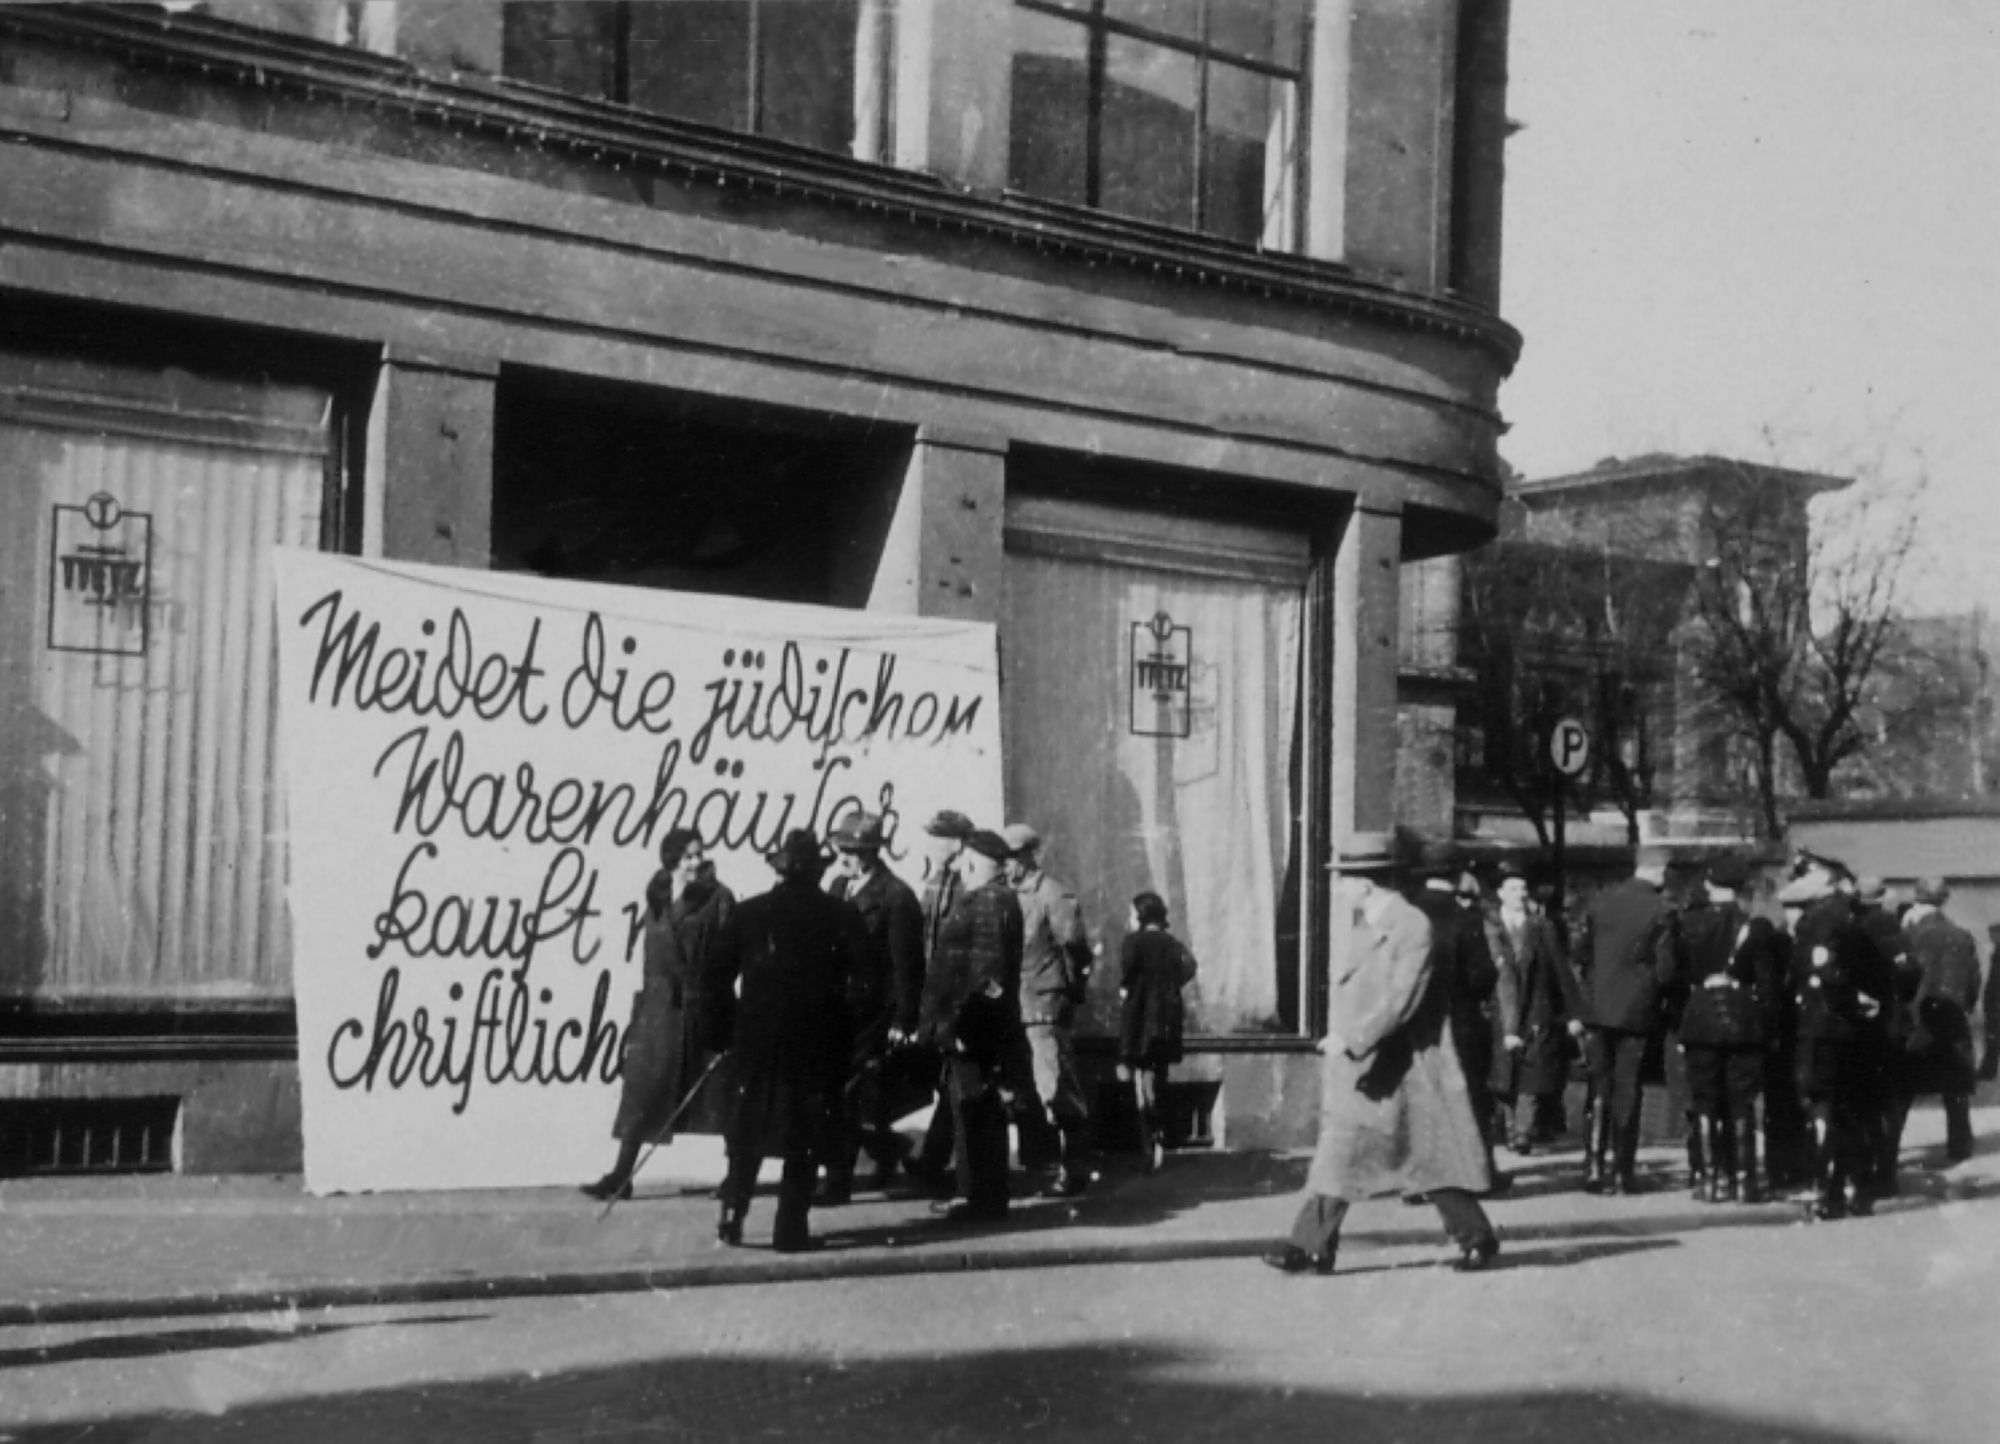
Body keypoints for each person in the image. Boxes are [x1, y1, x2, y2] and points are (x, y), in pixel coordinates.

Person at [1263, 832, 1499, 1277]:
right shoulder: (1371, 923)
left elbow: (1401, 998)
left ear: (1366, 883)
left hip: (1401, 1060)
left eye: (1344, 879)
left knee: (1426, 1158)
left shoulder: (1411, 926)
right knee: (1348, 1154)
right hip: (1374, 1061)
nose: (1339, 888)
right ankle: (1310, 1245)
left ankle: (1476, 1238)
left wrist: (1352, 1038)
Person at [702, 829, 870, 1254]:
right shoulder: (841, 915)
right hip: (818, 1045)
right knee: (806, 1137)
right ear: (818, 871)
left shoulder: (748, 913)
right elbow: (869, 981)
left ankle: (731, 1214)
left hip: (757, 1043)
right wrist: (849, 1029)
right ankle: (789, 1228)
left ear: (778, 869)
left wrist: (722, 1034)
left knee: (747, 1132)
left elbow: (713, 980)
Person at [582, 827, 734, 1202]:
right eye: (688, 857)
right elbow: (651, 956)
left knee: (721, 1097)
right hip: (659, 1013)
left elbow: (729, 956)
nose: (697, 863)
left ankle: (737, 1176)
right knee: (641, 1091)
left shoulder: (719, 897)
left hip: (703, 1011)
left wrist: (714, 1000)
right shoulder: (657, 894)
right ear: (671, 861)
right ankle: (621, 1175)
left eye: (700, 854)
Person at [917, 827, 1025, 1222]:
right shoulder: (994, 899)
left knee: (974, 1111)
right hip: (971, 1025)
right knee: (973, 1110)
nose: (961, 865)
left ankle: (976, 1197)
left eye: (965, 859)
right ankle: (983, 1195)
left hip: (971, 1029)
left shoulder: (988, 902)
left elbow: (987, 974)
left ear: (976, 861)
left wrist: (965, 1028)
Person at [1779, 857, 1896, 1221]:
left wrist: (1846, 998)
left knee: (1822, 1107)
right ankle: (1856, 1187)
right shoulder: (1856, 922)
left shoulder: (1820, 923)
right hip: (1852, 1029)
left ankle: (1828, 1189)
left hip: (1821, 1025)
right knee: (1851, 1109)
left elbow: (1825, 973)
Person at [820, 811, 926, 1203]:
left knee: (846, 1094)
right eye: (841, 848)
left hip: (872, 1013)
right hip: (837, 1010)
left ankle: (837, 1181)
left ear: (871, 852)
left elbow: (906, 966)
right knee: (845, 1094)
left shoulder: (897, 897)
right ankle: (888, 1148)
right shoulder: (836, 886)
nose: (843, 856)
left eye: (853, 850)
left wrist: (903, 1018)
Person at [1667, 855, 1782, 1203]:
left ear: (1708, 885)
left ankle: (1708, 1179)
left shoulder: (1684, 923)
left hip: (1699, 1016)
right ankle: (1744, 1180)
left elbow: (1671, 977)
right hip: (1742, 1018)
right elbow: (1768, 986)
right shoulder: (1756, 926)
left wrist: (1679, 1021)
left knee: (1704, 1102)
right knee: (1741, 1104)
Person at [1572, 843, 1681, 1195]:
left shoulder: (1600, 901)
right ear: (1660, 871)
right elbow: (1666, 969)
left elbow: (1580, 951)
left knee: (1597, 1084)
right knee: (1628, 1087)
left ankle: (1592, 1164)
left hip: (1597, 1005)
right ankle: (1623, 1169)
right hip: (1637, 1008)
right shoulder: (1662, 909)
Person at [1003, 822, 1098, 1197]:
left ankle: (1075, 1168)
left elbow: (1075, 948)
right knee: (1018, 1091)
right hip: (1014, 1006)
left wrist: (1066, 992)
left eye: (1012, 858)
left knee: (1055, 1087)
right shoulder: (1009, 895)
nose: (1007, 866)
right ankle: (1035, 1164)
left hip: (1042, 1005)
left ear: (1030, 855)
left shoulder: (1053, 895)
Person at [1406, 841, 1503, 1190]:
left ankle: (1417, 1180)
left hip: (1412, 1019)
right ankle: (1477, 1175)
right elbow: (1481, 976)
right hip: (1459, 1019)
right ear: (1458, 874)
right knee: (1472, 1098)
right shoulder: (1465, 919)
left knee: (1419, 1100)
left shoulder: (1408, 913)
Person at [1484, 862, 1586, 1158]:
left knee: (1531, 1073)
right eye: (1512, 888)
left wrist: (1573, 1012)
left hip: (1537, 1009)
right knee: (1503, 1074)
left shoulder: (1542, 927)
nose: (1519, 893)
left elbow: (1560, 969)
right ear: (1500, 893)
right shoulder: (1489, 926)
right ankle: (1509, 1123)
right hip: (1499, 1010)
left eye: (1522, 888)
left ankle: (1522, 1133)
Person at [904, 810, 977, 1188]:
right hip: (934, 996)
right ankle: (934, 1158)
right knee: (947, 1080)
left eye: (937, 837)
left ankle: (938, 1161)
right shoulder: (935, 881)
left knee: (959, 1080)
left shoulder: (969, 882)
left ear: (957, 843)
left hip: (958, 999)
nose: (930, 845)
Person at [1897, 879, 1982, 1166]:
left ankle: (1889, 1151)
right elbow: (1973, 981)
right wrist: (1965, 1008)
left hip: (1916, 1020)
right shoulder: (1961, 935)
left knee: (1902, 1090)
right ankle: (1960, 1146)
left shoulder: (1908, 934)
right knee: (1955, 1090)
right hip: (1953, 1018)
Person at [1117, 890, 1198, 1175]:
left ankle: (1149, 1144)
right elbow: (1189, 967)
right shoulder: (1172, 944)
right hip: (1165, 1019)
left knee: (1142, 1084)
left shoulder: (1134, 942)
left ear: (1140, 915)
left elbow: (1126, 975)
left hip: (1139, 1019)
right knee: (1158, 1079)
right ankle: (1160, 1138)